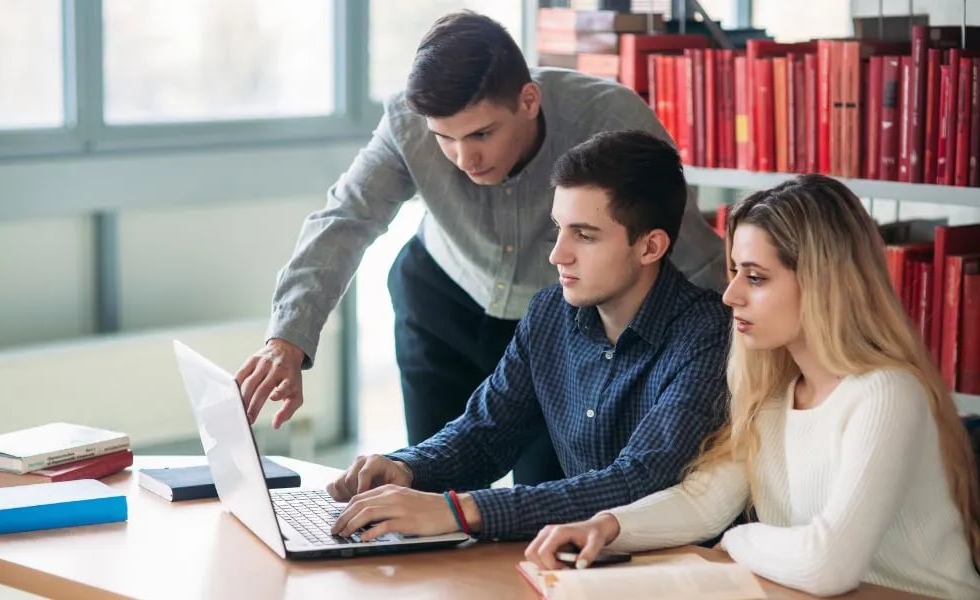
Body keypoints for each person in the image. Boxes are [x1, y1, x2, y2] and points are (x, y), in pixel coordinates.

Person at [233, 11, 725, 486]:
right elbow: (346, 218)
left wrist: (744, 351)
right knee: (423, 479)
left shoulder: (610, 118)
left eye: (482, 134)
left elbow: (684, 247)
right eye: (444, 139)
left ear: (528, 100)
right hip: (440, 303)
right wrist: (288, 339)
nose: (464, 158)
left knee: (545, 495)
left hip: (554, 326)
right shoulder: (407, 121)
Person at [525, 174, 980, 599]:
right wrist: (604, 527)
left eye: (756, 278)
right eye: (735, 272)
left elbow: (828, 565)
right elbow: (704, 502)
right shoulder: (774, 396)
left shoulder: (885, 393)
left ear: (824, 285)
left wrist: (737, 538)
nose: (731, 295)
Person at [324, 130, 730, 543]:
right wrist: (406, 468)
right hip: (580, 564)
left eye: (585, 235)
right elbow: (485, 434)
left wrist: (460, 511)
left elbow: (636, 484)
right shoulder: (550, 313)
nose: (558, 254)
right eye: (559, 229)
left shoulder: (709, 337)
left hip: (679, 572)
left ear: (650, 247)